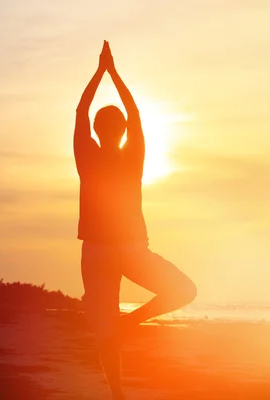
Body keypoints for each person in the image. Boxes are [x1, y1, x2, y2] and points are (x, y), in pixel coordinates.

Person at [74, 41, 197, 400]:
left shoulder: (98, 155)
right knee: (181, 292)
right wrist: (112, 73)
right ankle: (118, 387)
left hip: (113, 251)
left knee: (110, 330)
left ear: (102, 131)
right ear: (116, 130)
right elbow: (130, 113)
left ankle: (122, 346)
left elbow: (83, 111)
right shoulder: (124, 156)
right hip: (111, 251)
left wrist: (102, 73)